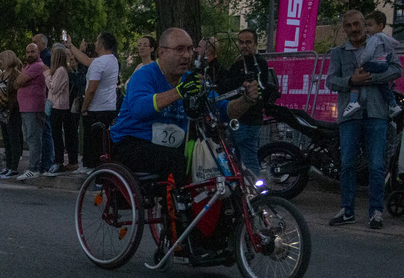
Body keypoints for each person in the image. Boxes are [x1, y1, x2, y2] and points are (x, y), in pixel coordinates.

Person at [110, 27, 260, 183]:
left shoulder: (190, 79)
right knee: (176, 159)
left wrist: (246, 100)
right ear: (161, 52)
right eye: (180, 49)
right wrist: (179, 92)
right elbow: (138, 109)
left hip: (170, 146)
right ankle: (180, 206)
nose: (187, 55)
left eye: (190, 49)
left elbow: (224, 109)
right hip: (130, 143)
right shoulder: (144, 75)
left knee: (217, 157)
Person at [325, 9, 402, 229]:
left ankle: (376, 212)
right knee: (347, 163)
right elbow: (330, 81)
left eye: (357, 24)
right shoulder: (338, 53)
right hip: (350, 115)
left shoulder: (380, 44)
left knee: (377, 165)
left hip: (377, 112)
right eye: (348, 25)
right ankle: (347, 210)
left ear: (364, 24)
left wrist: (371, 78)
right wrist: (351, 80)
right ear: (344, 28)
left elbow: (397, 69)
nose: (353, 29)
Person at [218, 29, 279, 172]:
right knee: (236, 162)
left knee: (249, 161)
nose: (244, 46)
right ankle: (244, 191)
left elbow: (255, 84)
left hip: (249, 120)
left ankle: (256, 192)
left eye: (248, 42)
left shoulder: (259, 63)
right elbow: (225, 84)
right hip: (237, 119)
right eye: (241, 42)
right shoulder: (239, 63)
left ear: (256, 44)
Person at [65, 32, 119, 174]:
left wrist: (84, 107)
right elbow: (86, 60)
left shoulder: (99, 63)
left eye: (96, 41)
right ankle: (91, 166)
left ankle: (94, 168)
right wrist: (71, 46)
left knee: (92, 140)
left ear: (101, 44)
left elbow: (91, 89)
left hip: (96, 107)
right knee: (99, 139)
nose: (94, 43)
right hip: (109, 105)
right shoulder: (112, 60)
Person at [341, 11, 401, 120]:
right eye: (366, 25)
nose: (367, 28)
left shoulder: (374, 39)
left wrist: (363, 66)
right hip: (382, 64)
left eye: (369, 25)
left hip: (376, 114)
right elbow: (331, 80)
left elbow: (368, 54)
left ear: (380, 26)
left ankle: (353, 101)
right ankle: (393, 104)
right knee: (384, 85)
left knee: (358, 75)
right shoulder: (385, 38)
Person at [14, 42, 48, 181]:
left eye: (32, 52)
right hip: (26, 107)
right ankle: (33, 166)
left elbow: (19, 81)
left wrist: (21, 81)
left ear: (38, 53)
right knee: (29, 137)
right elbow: (17, 82)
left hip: (34, 107)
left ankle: (34, 168)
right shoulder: (28, 67)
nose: (29, 54)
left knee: (34, 138)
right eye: (27, 52)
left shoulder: (37, 66)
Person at [46, 44, 77, 175]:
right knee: (56, 134)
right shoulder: (60, 71)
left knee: (57, 135)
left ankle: (59, 162)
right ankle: (57, 161)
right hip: (56, 105)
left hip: (59, 106)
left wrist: (47, 76)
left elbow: (53, 88)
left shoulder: (61, 71)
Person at [0, 50, 23, 179]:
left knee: (13, 138)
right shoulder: (3, 74)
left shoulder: (16, 74)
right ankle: (8, 165)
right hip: (2, 109)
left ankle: (14, 166)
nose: (0, 62)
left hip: (13, 110)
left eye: (2, 59)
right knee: (6, 138)